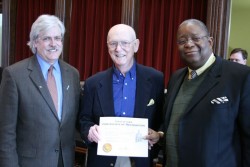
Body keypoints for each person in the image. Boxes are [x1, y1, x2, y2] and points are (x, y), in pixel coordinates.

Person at [148, 19, 250, 167]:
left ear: (210, 41)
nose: (188, 44)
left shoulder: (240, 77)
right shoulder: (176, 78)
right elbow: (176, 123)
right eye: (182, 41)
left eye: (195, 38)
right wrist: (161, 135)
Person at [79, 24, 165, 167]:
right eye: (113, 43)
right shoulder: (92, 83)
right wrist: (89, 131)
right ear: (108, 46)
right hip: (102, 160)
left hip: (140, 160)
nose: (118, 49)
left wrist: (159, 135)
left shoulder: (155, 79)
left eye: (125, 43)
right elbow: (83, 120)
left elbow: (162, 118)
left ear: (136, 45)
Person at [0, 15, 81, 167]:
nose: (53, 44)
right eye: (47, 39)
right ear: (35, 42)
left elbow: (76, 119)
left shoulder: (72, 74)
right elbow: (6, 134)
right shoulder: (14, 75)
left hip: (65, 161)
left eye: (57, 38)